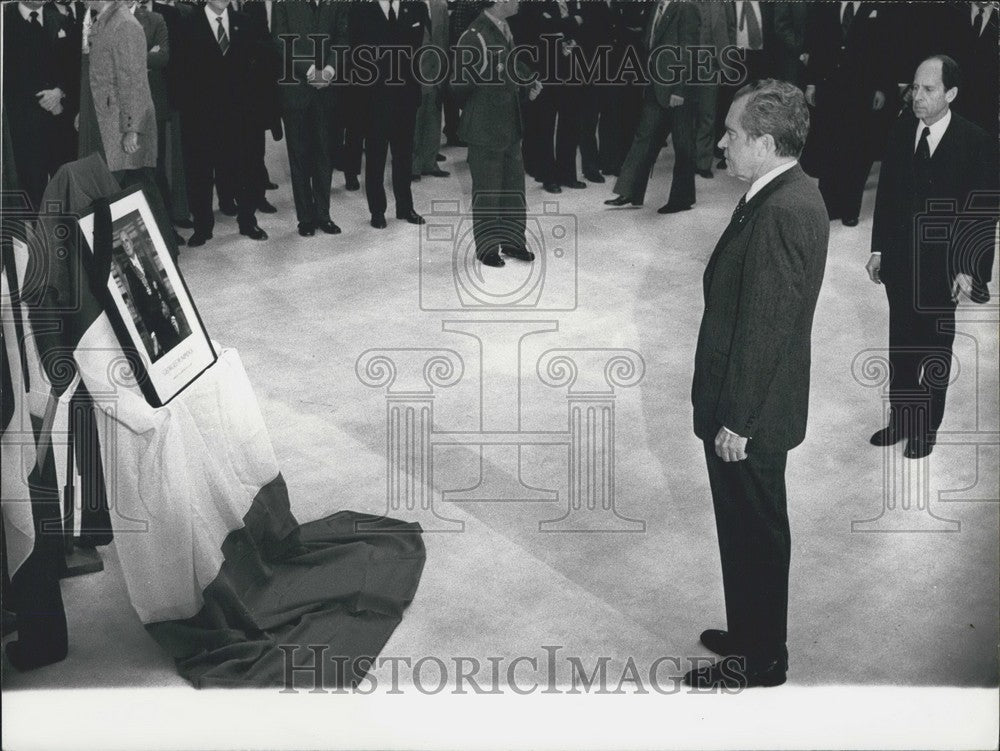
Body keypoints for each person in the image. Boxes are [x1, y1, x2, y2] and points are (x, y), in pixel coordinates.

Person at [686, 79, 828, 689]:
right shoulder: (780, 192)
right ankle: (748, 632)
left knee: (757, 530)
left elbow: (768, 328)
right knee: (743, 526)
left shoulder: (782, 211)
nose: (722, 143)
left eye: (733, 134)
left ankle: (763, 658)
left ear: (766, 142)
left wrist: (737, 420)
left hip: (752, 415)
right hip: (749, 404)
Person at [866, 56, 998, 460]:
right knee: (901, 342)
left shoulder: (975, 140)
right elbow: (887, 193)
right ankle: (902, 418)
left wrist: (969, 270)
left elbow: (982, 210)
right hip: (901, 261)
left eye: (927, 90)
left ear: (951, 94)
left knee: (935, 349)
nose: (916, 96)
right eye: (914, 88)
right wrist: (877, 249)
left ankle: (928, 427)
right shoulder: (902, 128)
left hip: (944, 268)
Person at [452, 0, 541, 267]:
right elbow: (457, 86)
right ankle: (487, 247)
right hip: (485, 127)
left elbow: (509, 63)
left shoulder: (503, 27)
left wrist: (528, 80)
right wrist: (479, 107)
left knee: (514, 187)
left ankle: (513, 241)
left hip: (510, 124)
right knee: (488, 190)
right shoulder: (474, 36)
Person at [174, 0, 268, 246]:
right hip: (200, 116)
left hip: (238, 115)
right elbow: (179, 70)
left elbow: (253, 68)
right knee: (200, 173)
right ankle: (203, 227)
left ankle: (248, 221)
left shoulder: (242, 22)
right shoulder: (187, 24)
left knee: (242, 168)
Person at [604, 0, 700, 213]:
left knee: (683, 145)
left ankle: (682, 199)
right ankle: (630, 192)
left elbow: (689, 48)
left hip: (676, 89)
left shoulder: (686, 7)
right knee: (643, 138)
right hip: (655, 85)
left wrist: (680, 89)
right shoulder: (656, 5)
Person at [802, 1, 890, 226]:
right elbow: (816, 44)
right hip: (829, 86)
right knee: (829, 145)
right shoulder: (826, 6)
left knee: (856, 149)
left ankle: (850, 208)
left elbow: (885, 49)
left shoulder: (877, 7)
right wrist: (811, 82)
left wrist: (881, 87)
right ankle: (829, 205)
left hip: (862, 88)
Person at [349, 0, 429, 229]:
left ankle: (405, 206)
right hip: (374, 99)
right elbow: (355, 55)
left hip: (406, 96)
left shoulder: (416, 7)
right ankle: (377, 210)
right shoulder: (361, 9)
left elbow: (416, 52)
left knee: (404, 155)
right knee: (376, 156)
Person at [273, 0, 348, 238]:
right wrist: (309, 71)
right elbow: (279, 39)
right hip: (295, 89)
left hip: (326, 89)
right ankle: (305, 218)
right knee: (299, 155)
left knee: (324, 153)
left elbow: (343, 38)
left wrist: (328, 70)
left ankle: (323, 215)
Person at [2, 1, 75, 210]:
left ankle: (61, 238)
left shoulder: (60, 20)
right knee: (31, 193)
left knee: (62, 189)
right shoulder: (5, 20)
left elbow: (72, 67)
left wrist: (59, 93)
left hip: (58, 119)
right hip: (21, 126)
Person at [84, 0, 158, 184]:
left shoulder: (123, 24)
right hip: (107, 121)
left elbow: (134, 81)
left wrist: (132, 129)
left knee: (130, 187)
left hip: (119, 125)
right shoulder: (106, 20)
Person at [116, 230, 183, 360]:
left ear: (132, 242)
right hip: (153, 318)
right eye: (122, 243)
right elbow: (139, 304)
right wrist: (151, 332)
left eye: (127, 241)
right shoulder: (128, 272)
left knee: (180, 344)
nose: (126, 245)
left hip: (165, 310)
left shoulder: (145, 260)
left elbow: (160, 286)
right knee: (170, 353)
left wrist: (173, 314)